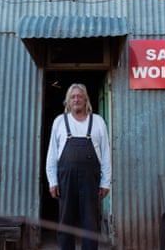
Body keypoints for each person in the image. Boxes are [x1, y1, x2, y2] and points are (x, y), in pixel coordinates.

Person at [46, 83, 112, 250]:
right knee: (65, 220)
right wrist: (52, 180)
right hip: (65, 178)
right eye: (72, 97)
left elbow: (105, 154)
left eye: (79, 96)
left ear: (86, 100)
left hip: (90, 179)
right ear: (68, 101)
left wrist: (106, 182)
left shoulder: (98, 121)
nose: (76, 99)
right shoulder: (59, 121)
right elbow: (52, 153)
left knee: (90, 221)